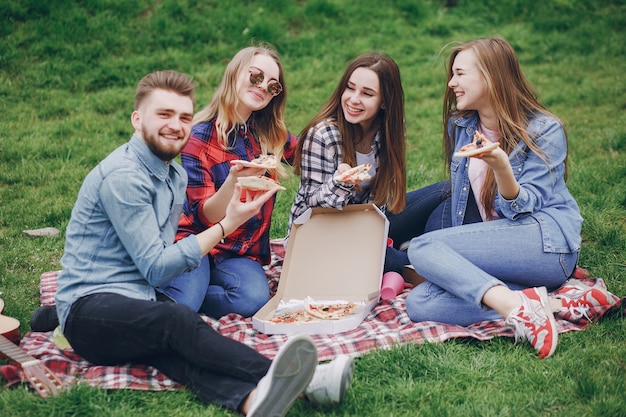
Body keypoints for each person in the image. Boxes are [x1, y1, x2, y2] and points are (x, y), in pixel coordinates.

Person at [33, 70, 353, 415]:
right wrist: (229, 224)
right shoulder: (124, 177)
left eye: (184, 117)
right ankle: (305, 380)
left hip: (132, 300)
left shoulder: (172, 174)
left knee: (177, 349)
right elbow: (156, 268)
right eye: (164, 114)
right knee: (177, 322)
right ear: (137, 119)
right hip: (89, 309)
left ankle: (250, 400)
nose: (176, 125)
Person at [404, 36, 613, 359]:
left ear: (490, 76)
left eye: (460, 74)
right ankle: (545, 304)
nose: (451, 83)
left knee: (422, 246)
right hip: (503, 248)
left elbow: (521, 210)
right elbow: (468, 209)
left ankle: (518, 306)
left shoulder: (545, 130)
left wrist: (502, 167)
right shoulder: (460, 126)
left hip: (547, 243)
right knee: (420, 302)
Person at [158, 45, 299, 319]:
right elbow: (205, 214)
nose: (262, 88)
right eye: (256, 76)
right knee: (183, 303)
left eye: (273, 86)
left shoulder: (270, 133)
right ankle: (169, 291)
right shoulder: (198, 137)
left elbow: (310, 154)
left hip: (238, 252)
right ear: (235, 73)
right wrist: (234, 182)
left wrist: (341, 160)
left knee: (252, 298)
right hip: (196, 240)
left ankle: (179, 291)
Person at [289, 52, 449, 284]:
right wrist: (340, 182)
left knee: (447, 190)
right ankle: (416, 262)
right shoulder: (323, 134)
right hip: (320, 236)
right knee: (392, 260)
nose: (354, 99)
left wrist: (375, 234)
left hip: (367, 223)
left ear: (384, 102)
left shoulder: (390, 131)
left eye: (367, 93)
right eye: (350, 88)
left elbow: (381, 200)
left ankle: (427, 253)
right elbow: (313, 206)